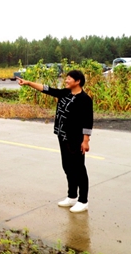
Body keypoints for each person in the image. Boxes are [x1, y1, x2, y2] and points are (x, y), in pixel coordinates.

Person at [17, 70, 93, 213]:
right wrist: (28, 83)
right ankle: (72, 196)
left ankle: (83, 201)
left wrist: (86, 140)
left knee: (79, 169)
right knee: (67, 166)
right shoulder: (65, 93)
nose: (66, 80)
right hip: (62, 136)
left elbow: (87, 121)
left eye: (69, 78)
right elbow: (47, 89)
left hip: (76, 139)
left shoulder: (85, 99)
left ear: (78, 81)